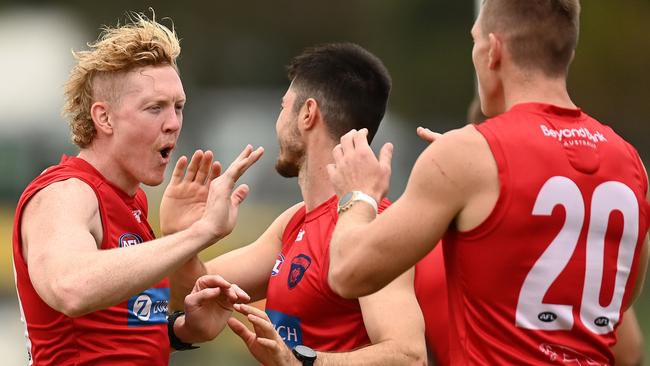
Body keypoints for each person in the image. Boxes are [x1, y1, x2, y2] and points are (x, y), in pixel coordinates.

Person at [326, 1, 650, 364]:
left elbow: (347, 272)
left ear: (493, 50)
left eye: (475, 41)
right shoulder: (630, 162)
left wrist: (357, 193)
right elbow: (620, 306)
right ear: (568, 53)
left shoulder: (469, 156)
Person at [12, 13, 263, 365]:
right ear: (104, 118)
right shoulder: (66, 192)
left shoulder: (131, 202)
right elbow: (70, 287)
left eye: (178, 107)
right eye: (154, 108)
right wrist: (202, 232)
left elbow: (118, 331)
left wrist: (183, 330)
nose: (173, 123)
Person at [161, 43, 426, 365]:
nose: (278, 122)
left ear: (307, 113)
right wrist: (183, 235)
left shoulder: (372, 225)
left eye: (283, 107)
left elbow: (408, 356)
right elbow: (193, 296)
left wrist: (300, 361)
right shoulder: (294, 222)